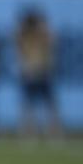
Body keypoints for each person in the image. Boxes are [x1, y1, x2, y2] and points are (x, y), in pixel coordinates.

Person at [15, 9, 62, 139]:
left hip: (43, 71)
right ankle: (28, 132)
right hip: (29, 72)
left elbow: (53, 45)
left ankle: (54, 132)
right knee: (28, 104)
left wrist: (43, 28)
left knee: (49, 105)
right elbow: (19, 47)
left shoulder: (44, 35)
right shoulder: (23, 35)